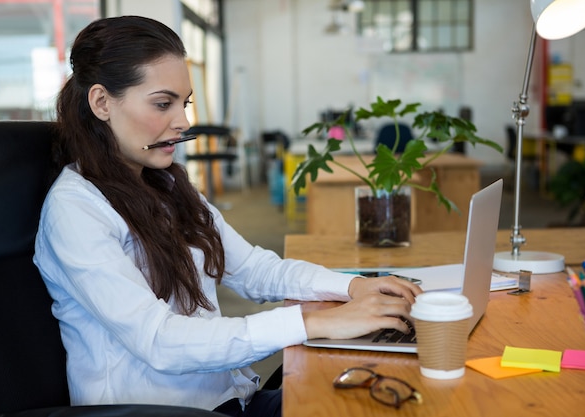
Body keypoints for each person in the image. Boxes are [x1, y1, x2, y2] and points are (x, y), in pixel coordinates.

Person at [33, 16, 422, 417]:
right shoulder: (75, 210)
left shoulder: (166, 187)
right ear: (101, 103)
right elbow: (160, 341)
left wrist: (354, 288)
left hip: (226, 400)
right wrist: (314, 324)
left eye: (183, 104)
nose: (183, 122)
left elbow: (254, 269)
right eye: (162, 103)